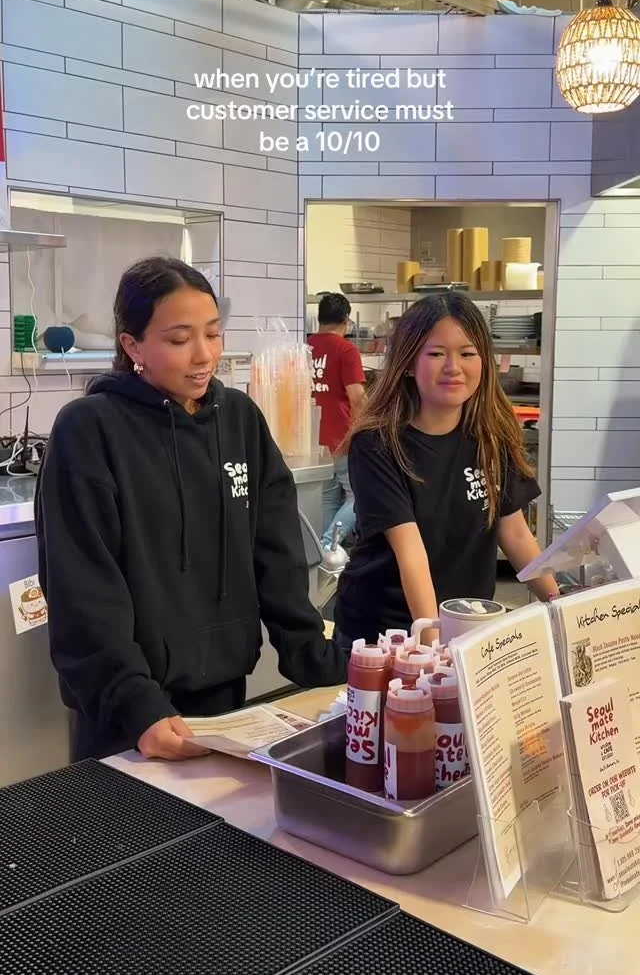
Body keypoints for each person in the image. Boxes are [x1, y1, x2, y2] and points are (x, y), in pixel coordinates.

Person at [35, 257, 347, 763]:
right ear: (132, 345)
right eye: (180, 340)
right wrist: (137, 709)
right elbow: (82, 590)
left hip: (226, 700)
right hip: (128, 719)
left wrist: (315, 657)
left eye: (213, 334)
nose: (204, 355)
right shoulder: (89, 430)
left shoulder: (239, 418)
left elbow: (276, 554)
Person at [333, 291, 558, 646]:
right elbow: (411, 553)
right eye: (436, 354)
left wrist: (561, 607)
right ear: (408, 362)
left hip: (469, 624)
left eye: (467, 354)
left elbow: (515, 534)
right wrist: (433, 646)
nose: (454, 367)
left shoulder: (491, 435)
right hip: (386, 632)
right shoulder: (378, 443)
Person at [307, 293, 365, 548]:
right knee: (360, 496)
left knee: (328, 498)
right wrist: (367, 430)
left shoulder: (306, 346)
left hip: (313, 439)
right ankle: (328, 544)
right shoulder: (346, 350)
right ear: (346, 321)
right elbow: (357, 397)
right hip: (342, 437)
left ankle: (324, 557)